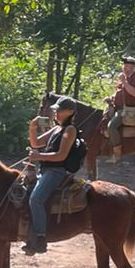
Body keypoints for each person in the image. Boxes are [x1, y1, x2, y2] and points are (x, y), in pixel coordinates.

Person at [23, 96, 85, 255]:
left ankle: (40, 237)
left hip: (57, 171)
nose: (56, 113)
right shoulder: (57, 128)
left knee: (36, 199)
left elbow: (61, 156)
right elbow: (36, 143)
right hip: (46, 170)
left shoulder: (70, 130)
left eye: (60, 110)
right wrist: (32, 128)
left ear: (71, 112)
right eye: (56, 110)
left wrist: (38, 157)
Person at [103, 56, 135, 144]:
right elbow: (119, 92)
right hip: (116, 107)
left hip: (126, 109)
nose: (125, 68)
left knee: (112, 126)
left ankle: (117, 150)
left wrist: (124, 81)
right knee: (101, 120)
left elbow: (134, 93)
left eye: (127, 66)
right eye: (124, 66)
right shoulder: (124, 77)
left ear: (133, 67)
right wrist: (111, 98)